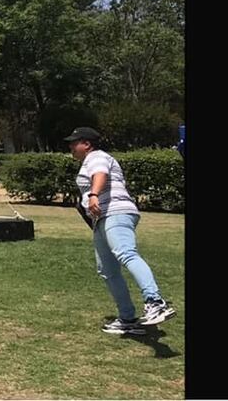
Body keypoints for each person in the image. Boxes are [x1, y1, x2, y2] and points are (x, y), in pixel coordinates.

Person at [64, 126, 177, 335]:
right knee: (107, 270)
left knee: (126, 253)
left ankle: (155, 301)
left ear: (87, 144)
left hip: (114, 212)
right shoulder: (89, 161)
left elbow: (100, 174)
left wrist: (93, 195)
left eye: (74, 142)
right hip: (102, 219)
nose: (71, 146)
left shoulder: (96, 157)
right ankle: (127, 318)